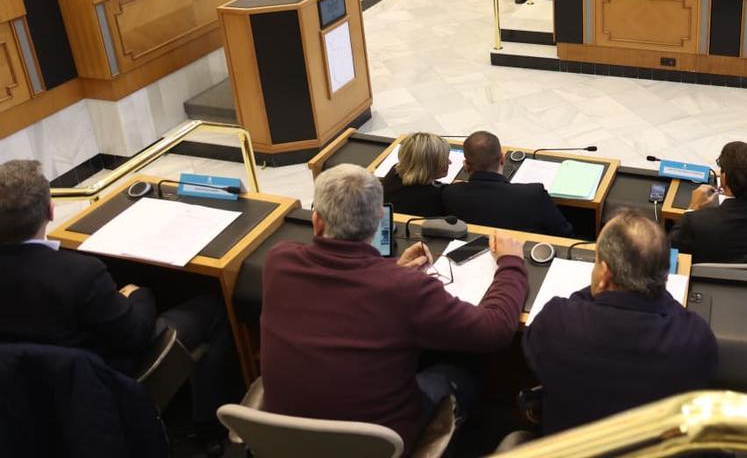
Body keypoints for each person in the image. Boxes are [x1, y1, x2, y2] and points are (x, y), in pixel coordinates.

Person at [261, 164, 528, 451]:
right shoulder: (404, 289)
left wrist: (393, 272)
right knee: (464, 368)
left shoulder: (279, 261)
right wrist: (511, 263)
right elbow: (494, 330)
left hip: (287, 440)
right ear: (379, 221)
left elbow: (344, 294)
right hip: (376, 444)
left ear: (317, 220)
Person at [0, 160, 242, 436]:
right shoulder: (81, 274)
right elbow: (135, 336)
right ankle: (208, 427)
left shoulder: (77, 273)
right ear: (50, 210)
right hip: (99, 383)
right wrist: (138, 295)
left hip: (19, 395)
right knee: (214, 305)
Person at [523, 210, 717, 434]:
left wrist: (602, 289)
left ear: (604, 273)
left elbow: (531, 348)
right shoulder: (696, 340)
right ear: (664, 275)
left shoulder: (556, 321)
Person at [441, 131, 574, 237]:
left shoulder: (450, 194)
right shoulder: (534, 194)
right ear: (503, 158)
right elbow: (565, 233)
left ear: (466, 165)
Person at [383, 132, 450, 217]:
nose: (449, 162)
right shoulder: (434, 198)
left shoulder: (394, 172)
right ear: (429, 165)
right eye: (444, 159)